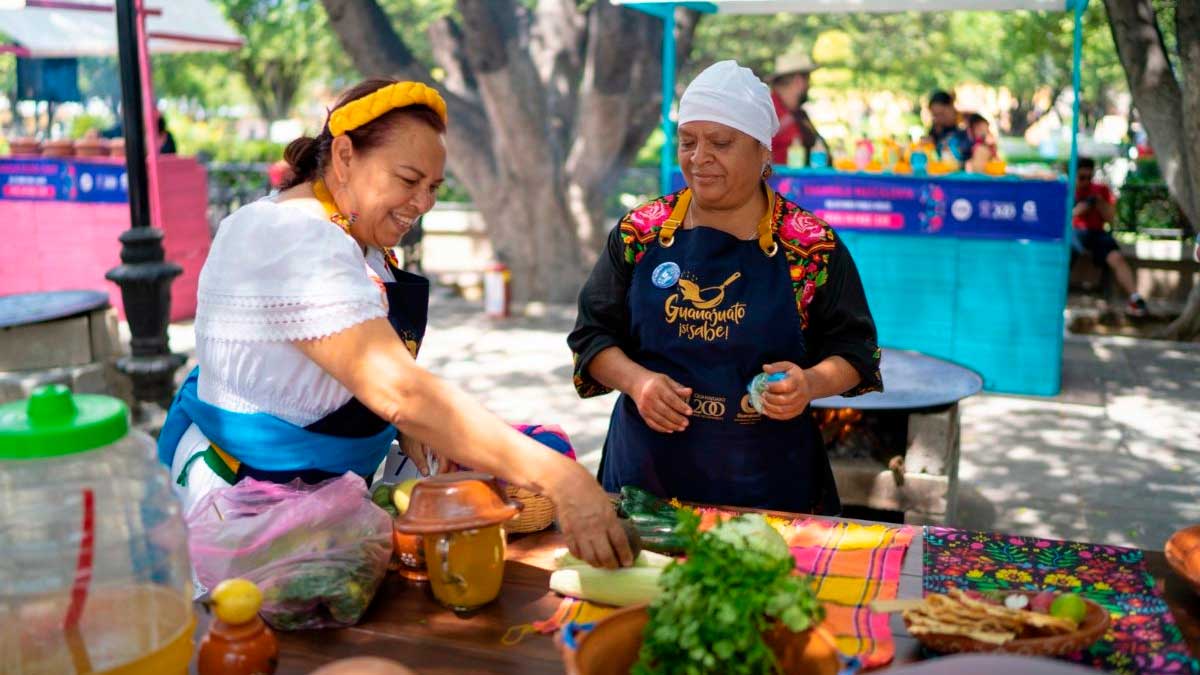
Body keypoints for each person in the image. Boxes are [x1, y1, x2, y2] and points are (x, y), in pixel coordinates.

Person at [158, 78, 631, 569]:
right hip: (250, 509)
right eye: (408, 181)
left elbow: (367, 386)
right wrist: (561, 479)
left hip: (322, 504)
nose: (422, 203)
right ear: (344, 156)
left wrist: (409, 428)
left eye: (432, 187)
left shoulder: (353, 236)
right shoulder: (287, 238)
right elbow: (400, 392)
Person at [568, 61, 882, 515]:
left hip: (767, 484)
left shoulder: (810, 246)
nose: (699, 158)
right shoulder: (641, 232)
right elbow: (591, 336)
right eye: (688, 141)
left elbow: (856, 351)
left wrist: (808, 383)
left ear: (763, 152)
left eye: (720, 143)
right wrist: (637, 382)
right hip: (647, 479)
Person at [1071, 157, 1147, 317]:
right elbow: (1059, 220)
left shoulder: (1100, 190)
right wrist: (1078, 210)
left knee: (1116, 257)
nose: (1085, 181)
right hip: (1074, 233)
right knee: (1068, 252)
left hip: (1097, 234)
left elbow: (1111, 219)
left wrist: (1099, 204)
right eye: (1081, 177)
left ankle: (1135, 298)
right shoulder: (1067, 189)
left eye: (1089, 177)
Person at [767, 47, 825, 166]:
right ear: (798, 81)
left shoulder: (797, 112)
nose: (809, 86)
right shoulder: (768, 110)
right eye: (808, 80)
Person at [925, 90, 970, 166]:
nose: (938, 119)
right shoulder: (936, 129)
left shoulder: (966, 126)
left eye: (942, 114)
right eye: (935, 116)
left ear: (951, 107)